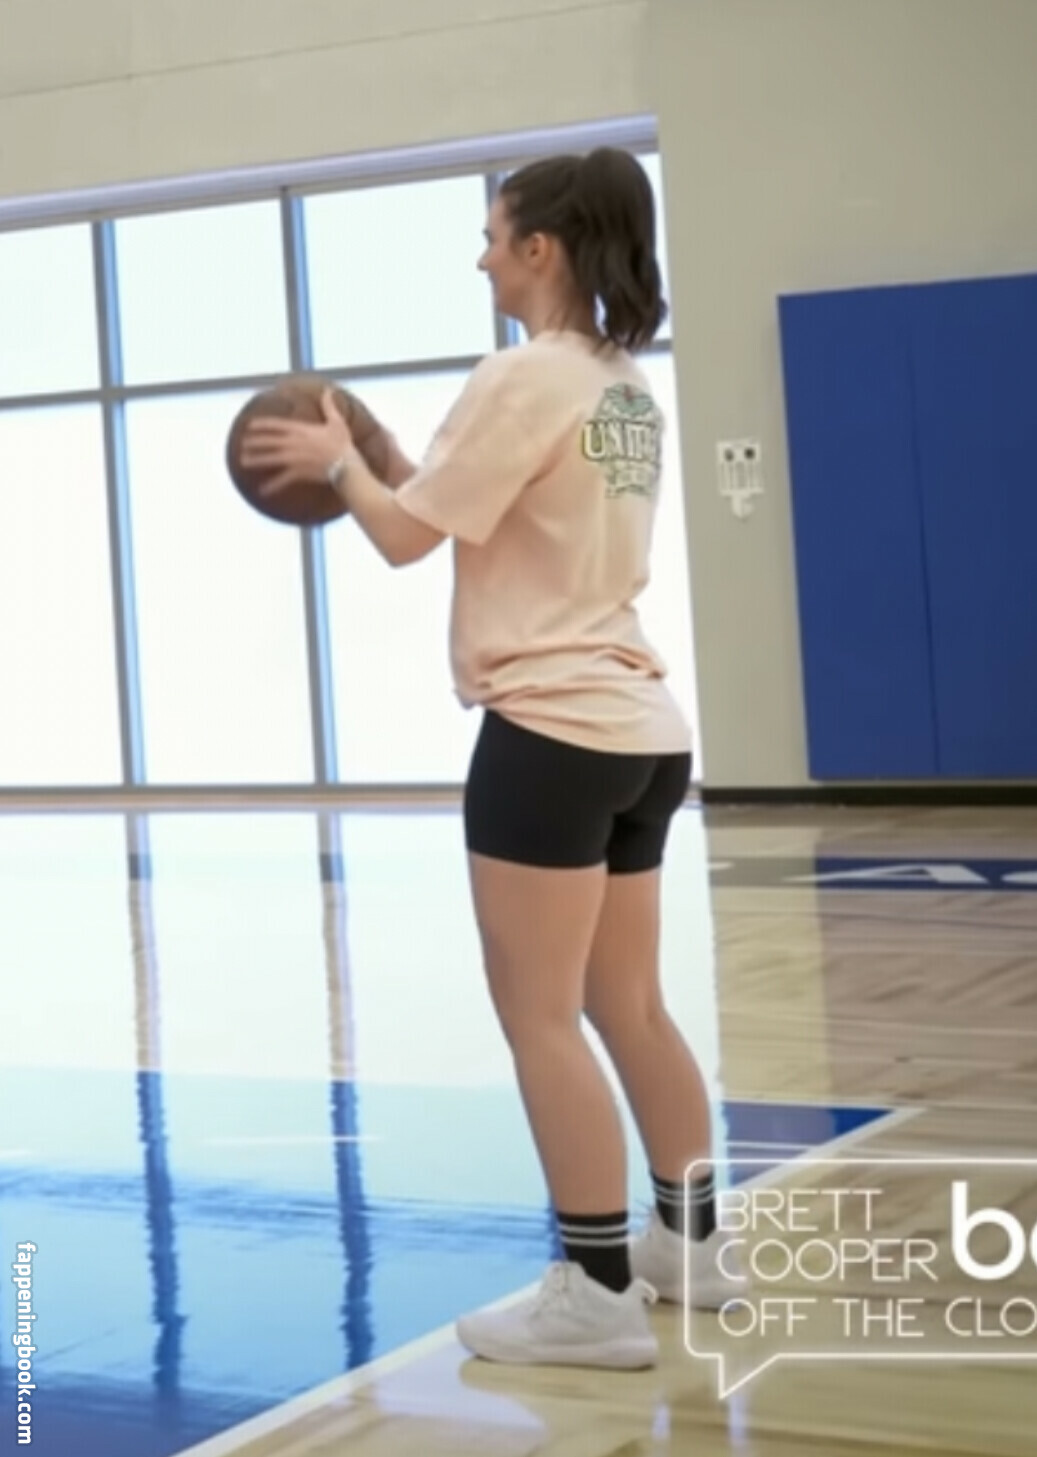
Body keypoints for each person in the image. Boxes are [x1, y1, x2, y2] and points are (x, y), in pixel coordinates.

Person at [240, 147, 738, 1370]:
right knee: (629, 1003)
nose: (480, 259)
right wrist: (380, 455)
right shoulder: (618, 385)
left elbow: (406, 539)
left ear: (540, 248)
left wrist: (339, 465)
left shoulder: (519, 374)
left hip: (549, 733)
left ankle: (594, 1292)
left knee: (540, 1017)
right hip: (640, 729)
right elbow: (469, 507)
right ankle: (691, 1247)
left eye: (492, 235)